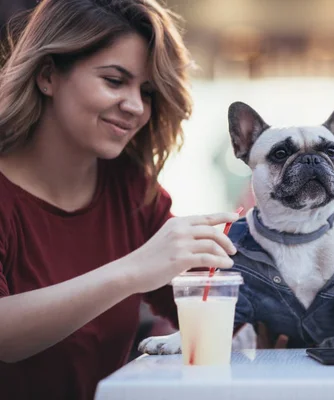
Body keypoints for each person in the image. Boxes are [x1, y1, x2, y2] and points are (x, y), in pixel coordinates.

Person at [0, 1, 239, 398]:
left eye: (146, 91)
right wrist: (134, 269)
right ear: (47, 76)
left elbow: (215, 301)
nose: (135, 107)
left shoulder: (132, 192)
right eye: (114, 80)